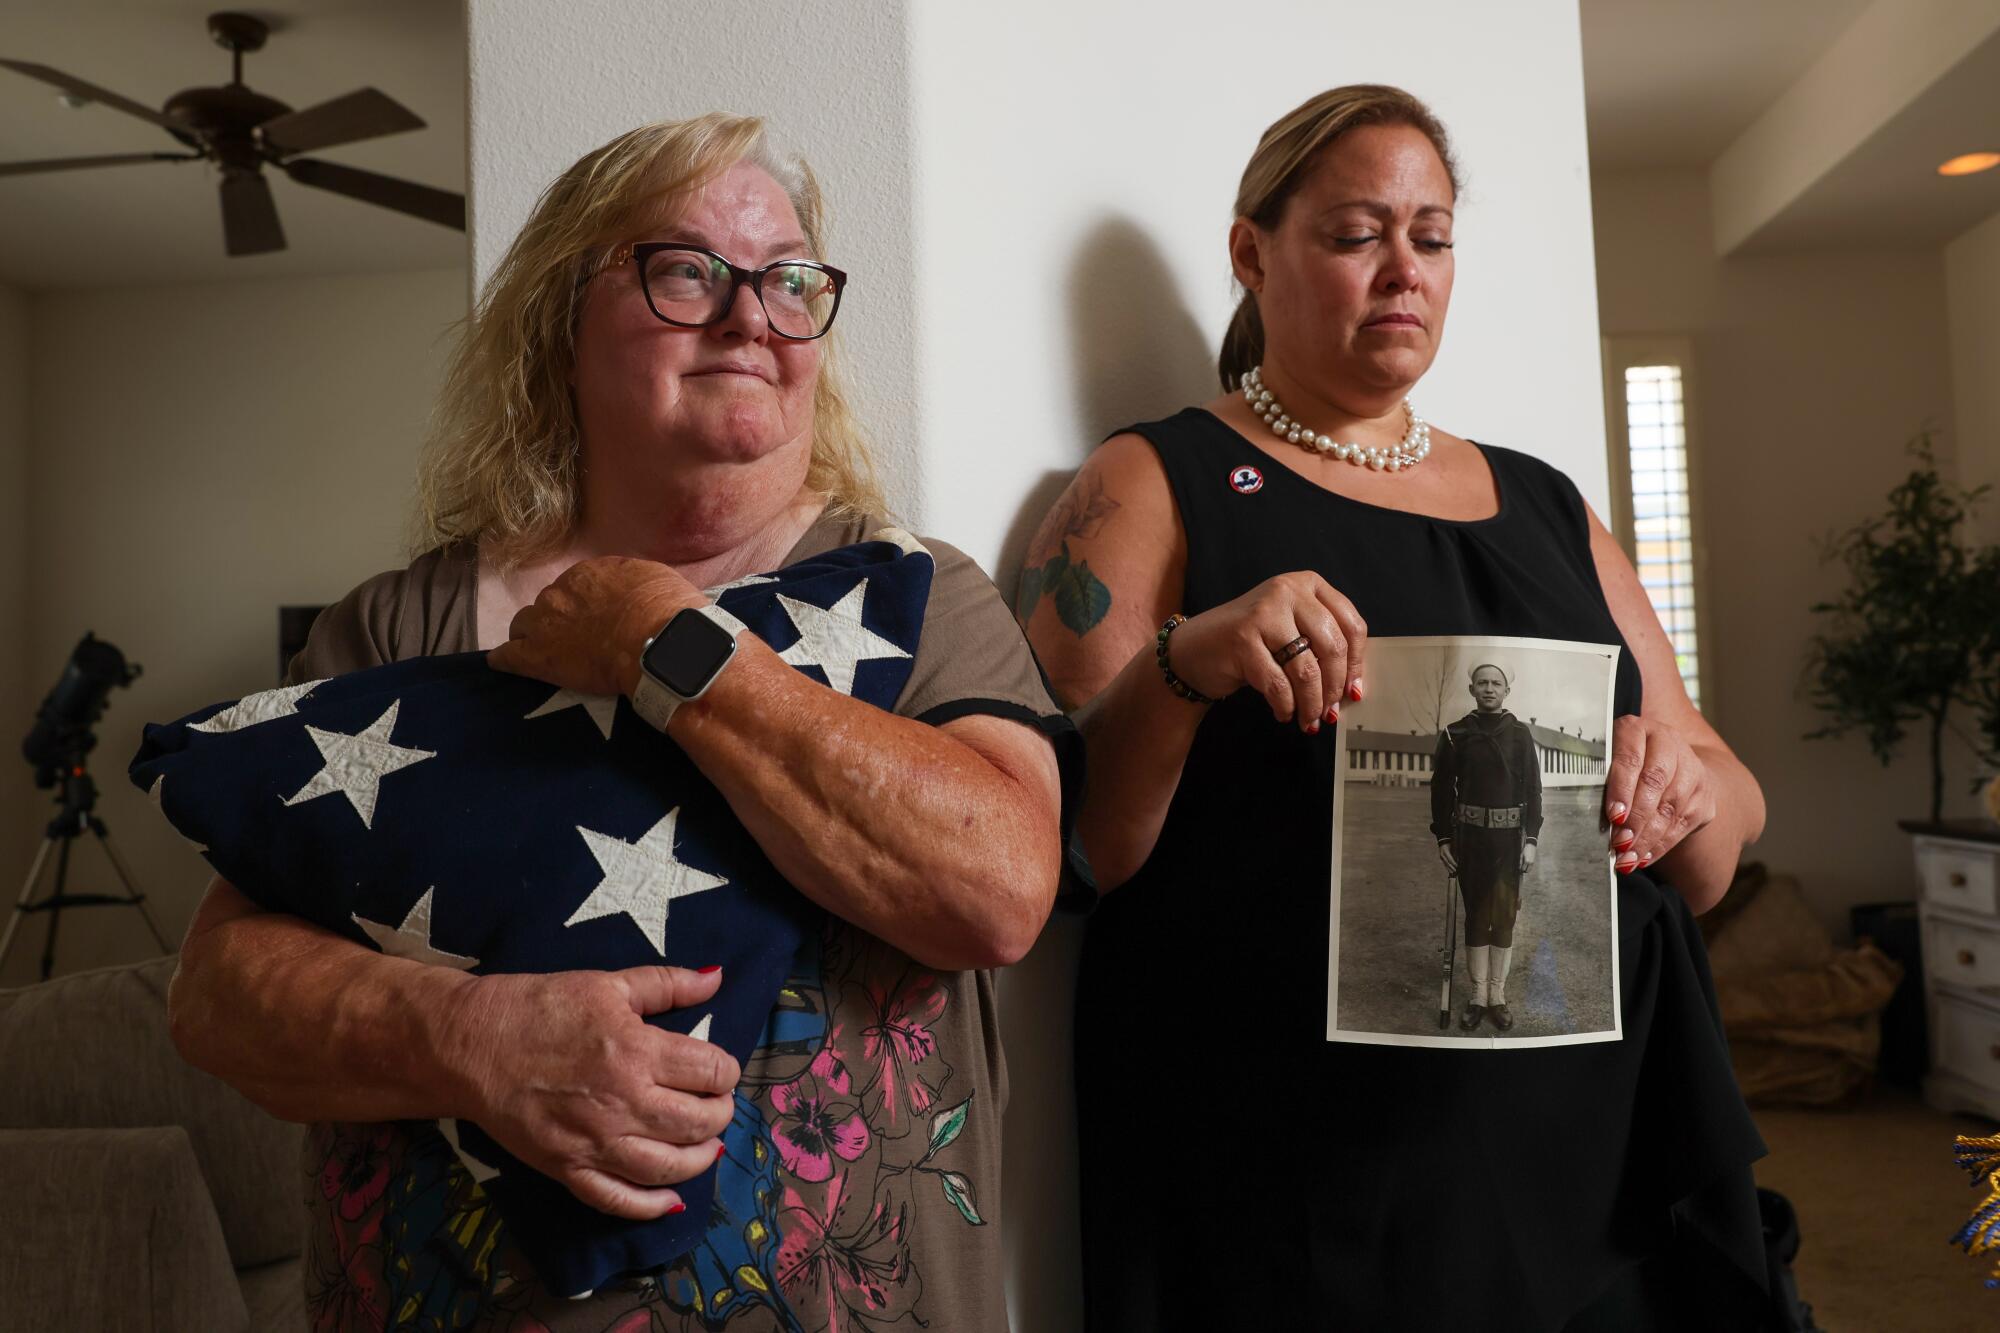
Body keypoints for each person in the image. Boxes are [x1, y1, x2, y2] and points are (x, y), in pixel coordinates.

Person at [166, 113, 1073, 1331]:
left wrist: (673, 644)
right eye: (688, 269)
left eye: (790, 279)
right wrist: (465, 1035)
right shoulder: (401, 623)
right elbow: (217, 996)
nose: (753, 314)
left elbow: (1001, 886)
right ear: (561, 318)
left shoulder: (915, 595)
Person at [1021, 86, 1773, 1330]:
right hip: (1298, 1158)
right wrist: (1185, 661)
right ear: (1250, 253)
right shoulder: (1154, 479)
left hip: (1586, 1137)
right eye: (1356, 233)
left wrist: (1682, 782)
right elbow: (1071, 842)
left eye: (1429, 238)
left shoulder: (1539, 503)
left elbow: (1715, 824)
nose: (1401, 272)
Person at [1431, 662, 1543, 1031]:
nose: (1489, 688)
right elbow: (1441, 789)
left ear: (1506, 691)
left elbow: (1532, 792)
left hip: (1509, 843)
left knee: (1504, 917)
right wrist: (1444, 837)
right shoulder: (1455, 734)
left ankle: (1498, 995)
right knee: (1477, 915)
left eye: (1496, 683)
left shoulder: (1521, 735)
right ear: (1472, 689)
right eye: (1482, 683)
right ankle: (1478, 995)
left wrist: (1531, 840)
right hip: (1471, 841)